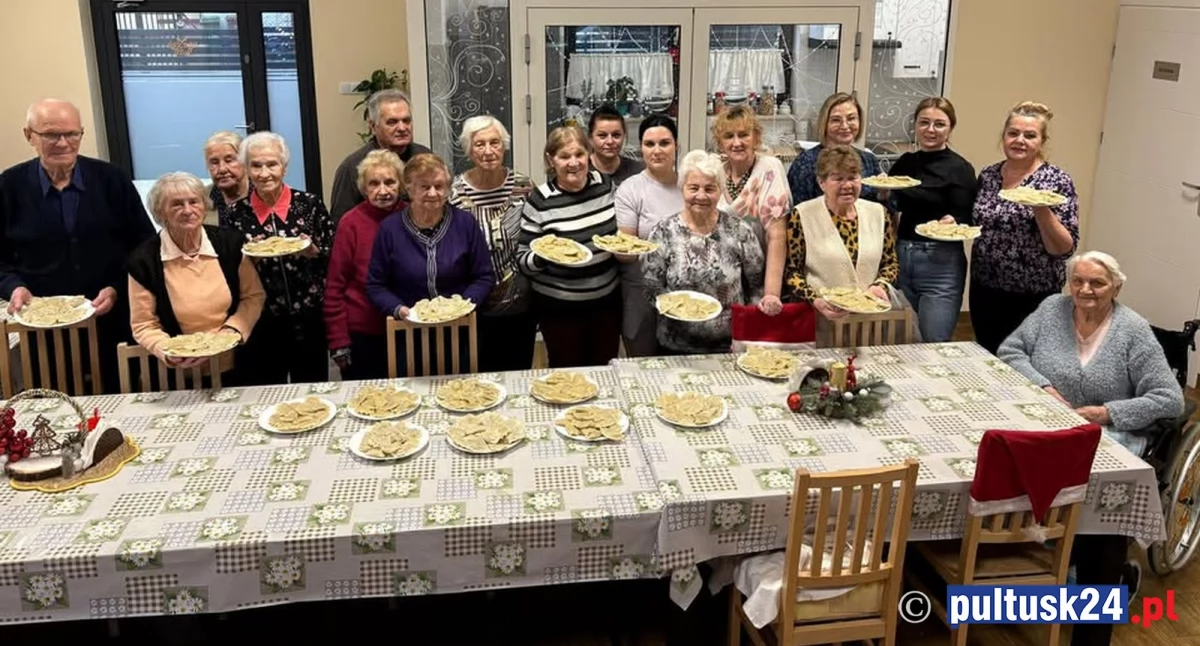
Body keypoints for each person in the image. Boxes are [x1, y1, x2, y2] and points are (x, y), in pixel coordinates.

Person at [998, 250, 1183, 607]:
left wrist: (1106, 413)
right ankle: (1031, 545)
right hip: (1045, 419)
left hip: (1108, 432)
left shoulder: (1133, 331)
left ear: (1115, 287)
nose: (1085, 289)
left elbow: (1169, 399)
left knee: (1077, 476)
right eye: (1077, 281)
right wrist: (1043, 388)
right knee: (1006, 454)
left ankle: (1091, 564)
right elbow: (1010, 351)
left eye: (1097, 283)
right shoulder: (1052, 308)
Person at [0, 98, 156, 393]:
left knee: (116, 412)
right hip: (43, 332)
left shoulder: (112, 179)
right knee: (52, 408)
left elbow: (145, 246)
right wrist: (13, 287)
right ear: (29, 135)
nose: (63, 143)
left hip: (111, 323)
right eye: (51, 135)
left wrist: (116, 287)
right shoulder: (9, 186)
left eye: (72, 134)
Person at [126, 172, 265, 380]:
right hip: (179, 376)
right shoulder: (143, 261)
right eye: (176, 204)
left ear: (204, 205)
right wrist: (170, 352)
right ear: (160, 212)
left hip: (239, 365)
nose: (188, 210)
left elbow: (253, 296)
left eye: (194, 201)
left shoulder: (231, 244)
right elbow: (144, 324)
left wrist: (233, 331)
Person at [366, 153, 495, 375]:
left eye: (439, 186)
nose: (433, 193)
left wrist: (463, 304)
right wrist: (399, 309)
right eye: (424, 186)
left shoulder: (465, 224)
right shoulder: (390, 229)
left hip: (460, 330)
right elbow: (375, 285)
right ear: (409, 188)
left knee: (463, 396)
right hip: (409, 332)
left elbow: (484, 276)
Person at [224, 131, 334, 385]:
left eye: (272, 164)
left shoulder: (309, 204)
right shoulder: (236, 214)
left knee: (312, 390)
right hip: (262, 318)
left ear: (284, 167)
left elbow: (333, 254)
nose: (264, 173)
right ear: (246, 169)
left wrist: (313, 252)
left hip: (309, 317)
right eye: (256, 165)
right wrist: (250, 260)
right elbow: (229, 268)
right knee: (266, 390)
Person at [969, 101, 1079, 354]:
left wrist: (1041, 208)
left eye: (1030, 135)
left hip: (1033, 292)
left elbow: (1064, 249)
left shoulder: (1055, 181)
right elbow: (977, 223)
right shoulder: (989, 175)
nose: (1020, 140)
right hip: (985, 287)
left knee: (1025, 361)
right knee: (988, 354)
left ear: (1042, 141)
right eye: (1013, 133)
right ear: (1004, 137)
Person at [517, 126, 621, 368]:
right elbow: (523, 260)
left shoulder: (606, 186)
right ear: (551, 160)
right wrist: (546, 255)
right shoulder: (540, 199)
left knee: (605, 370)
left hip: (606, 302)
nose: (573, 163)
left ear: (589, 154)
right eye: (564, 156)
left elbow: (620, 237)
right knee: (567, 374)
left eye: (579, 154)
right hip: (559, 307)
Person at [641, 151, 765, 354]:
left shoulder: (740, 230)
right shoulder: (663, 232)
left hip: (730, 346)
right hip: (674, 345)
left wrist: (750, 334)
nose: (701, 196)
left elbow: (756, 288)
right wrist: (678, 308)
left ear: (720, 191)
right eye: (693, 188)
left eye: (710, 188)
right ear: (682, 189)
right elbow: (651, 288)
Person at [449, 115, 537, 372]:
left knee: (519, 374)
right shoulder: (454, 193)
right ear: (468, 150)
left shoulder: (523, 185)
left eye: (495, 143)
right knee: (478, 379)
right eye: (479, 144)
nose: (488, 151)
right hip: (473, 306)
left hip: (521, 305)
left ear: (504, 146)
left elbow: (538, 237)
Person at [886, 97, 977, 342]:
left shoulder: (960, 168)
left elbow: (968, 215)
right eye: (924, 122)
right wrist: (885, 195)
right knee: (900, 340)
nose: (930, 129)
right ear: (915, 125)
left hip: (941, 262)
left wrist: (953, 222)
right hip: (902, 255)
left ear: (950, 128)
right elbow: (892, 205)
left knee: (933, 343)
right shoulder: (906, 162)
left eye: (939, 124)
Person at [783, 145, 899, 321]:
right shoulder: (802, 215)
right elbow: (792, 273)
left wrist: (880, 286)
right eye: (837, 179)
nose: (847, 185)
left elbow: (890, 264)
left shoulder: (879, 214)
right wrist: (816, 300)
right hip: (819, 318)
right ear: (821, 183)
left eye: (853, 178)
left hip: (868, 319)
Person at [324, 150, 406, 381]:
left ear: (400, 184)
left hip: (406, 328)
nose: (383, 191)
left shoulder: (411, 216)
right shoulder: (350, 223)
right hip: (362, 334)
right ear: (363, 188)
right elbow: (334, 286)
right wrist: (338, 340)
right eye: (374, 184)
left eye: (390, 182)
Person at [614, 114, 684, 357]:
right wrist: (620, 249)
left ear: (677, 146)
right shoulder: (631, 189)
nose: (657, 150)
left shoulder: (689, 186)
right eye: (649, 144)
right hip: (641, 292)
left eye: (665, 143)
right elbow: (627, 251)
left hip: (684, 292)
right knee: (643, 363)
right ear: (641, 148)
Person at [711, 105, 788, 316]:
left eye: (743, 135)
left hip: (758, 281)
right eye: (729, 136)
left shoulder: (769, 169)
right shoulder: (714, 170)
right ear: (720, 142)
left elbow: (777, 236)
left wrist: (772, 293)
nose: (736, 143)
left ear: (756, 138)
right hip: (720, 282)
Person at [329, 89, 432, 220]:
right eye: (392, 122)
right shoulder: (352, 167)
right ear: (373, 126)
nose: (402, 128)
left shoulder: (425, 158)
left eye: (406, 121)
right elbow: (341, 222)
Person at [786, 92, 883, 205]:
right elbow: (798, 212)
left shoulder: (869, 161)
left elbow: (881, 212)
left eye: (851, 118)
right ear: (825, 123)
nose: (845, 126)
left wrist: (883, 195)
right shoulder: (806, 162)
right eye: (836, 120)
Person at [588, 103, 643, 186]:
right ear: (590, 138)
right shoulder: (580, 171)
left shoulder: (638, 173)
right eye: (602, 136)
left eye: (616, 135)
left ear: (624, 136)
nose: (610, 141)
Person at [203, 131, 248, 227]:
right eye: (214, 162)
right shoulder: (199, 201)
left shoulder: (264, 194)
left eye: (229, 160)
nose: (222, 169)